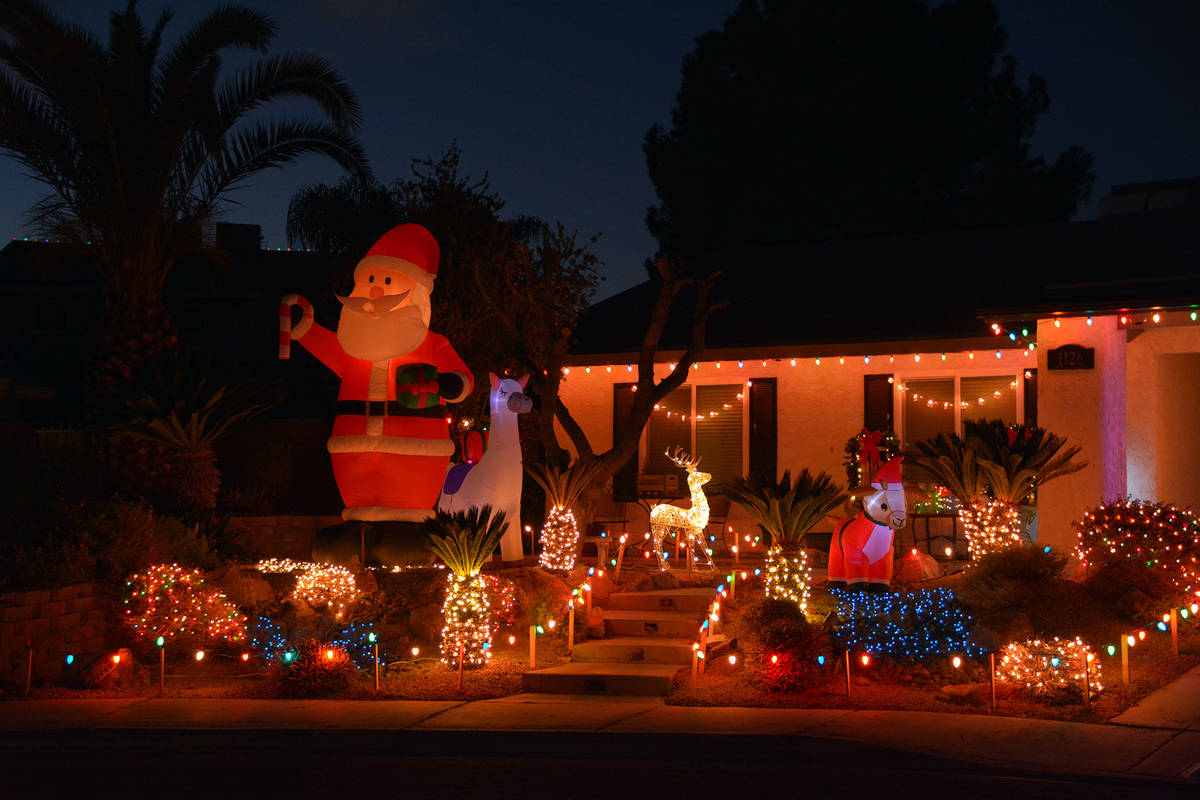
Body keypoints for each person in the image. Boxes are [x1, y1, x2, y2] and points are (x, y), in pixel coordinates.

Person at [282, 224, 472, 521]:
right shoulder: (350, 346)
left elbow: (462, 377)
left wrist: (451, 383)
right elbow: (325, 345)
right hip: (353, 445)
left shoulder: (432, 344)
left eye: (386, 280)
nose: (375, 289)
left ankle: (409, 528)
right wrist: (303, 328)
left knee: (408, 501)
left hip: (415, 446)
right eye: (370, 280)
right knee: (357, 496)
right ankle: (357, 528)